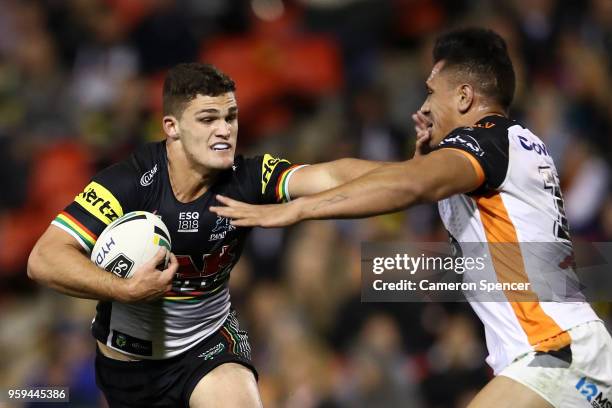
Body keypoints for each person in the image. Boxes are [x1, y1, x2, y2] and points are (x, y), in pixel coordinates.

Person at [210, 28, 612, 408]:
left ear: (465, 97)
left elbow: (405, 187)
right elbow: (385, 177)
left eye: (431, 92)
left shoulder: (488, 141)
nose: (422, 107)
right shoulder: (506, 146)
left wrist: (296, 211)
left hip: (554, 351)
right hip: (556, 354)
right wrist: (284, 181)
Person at [27, 63, 385, 408]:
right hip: (129, 367)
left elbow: (333, 177)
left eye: (230, 117)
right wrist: (125, 289)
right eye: (208, 119)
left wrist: (415, 173)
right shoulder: (129, 183)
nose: (225, 130)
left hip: (209, 346)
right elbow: (44, 259)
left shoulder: (249, 177)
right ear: (172, 127)